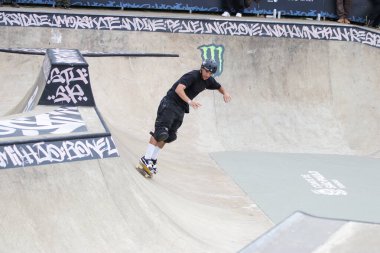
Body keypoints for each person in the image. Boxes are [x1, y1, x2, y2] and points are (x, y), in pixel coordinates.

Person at [140, 59, 232, 174]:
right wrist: (190, 101)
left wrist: (225, 93)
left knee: (169, 136)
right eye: (206, 71)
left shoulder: (208, 80)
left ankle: (152, 160)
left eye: (210, 73)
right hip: (170, 103)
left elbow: (219, 86)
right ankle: (146, 158)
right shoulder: (192, 75)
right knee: (160, 132)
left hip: (180, 109)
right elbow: (179, 89)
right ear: (202, 68)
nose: (208, 74)